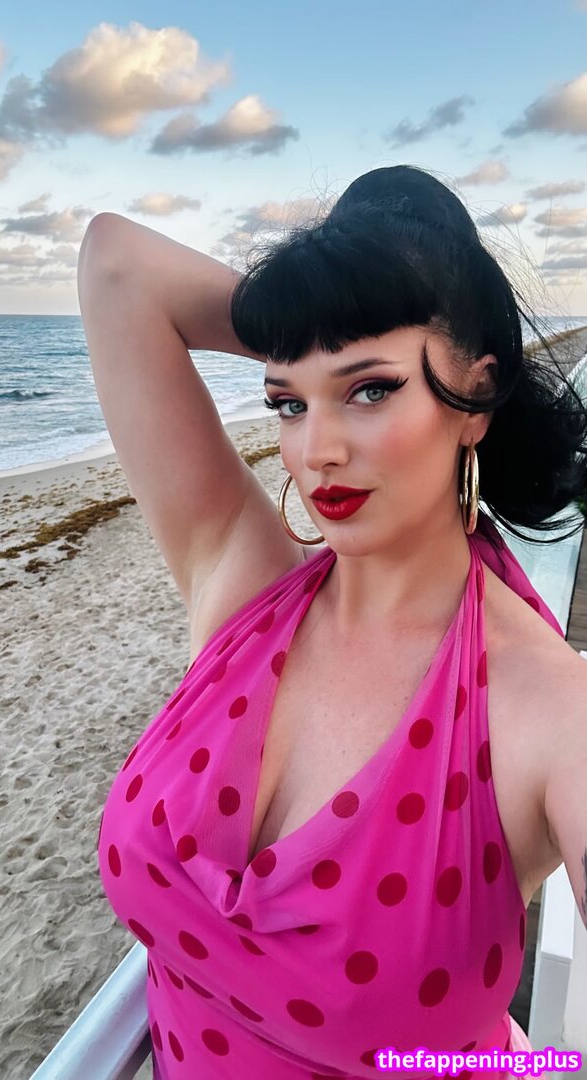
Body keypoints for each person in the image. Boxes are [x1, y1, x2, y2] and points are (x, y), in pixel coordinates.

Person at [77, 165, 587, 1080]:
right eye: (289, 402)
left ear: (475, 398)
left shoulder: (547, 709)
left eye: (370, 389)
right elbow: (116, 265)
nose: (317, 451)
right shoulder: (245, 588)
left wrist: (353, 309)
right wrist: (320, 313)